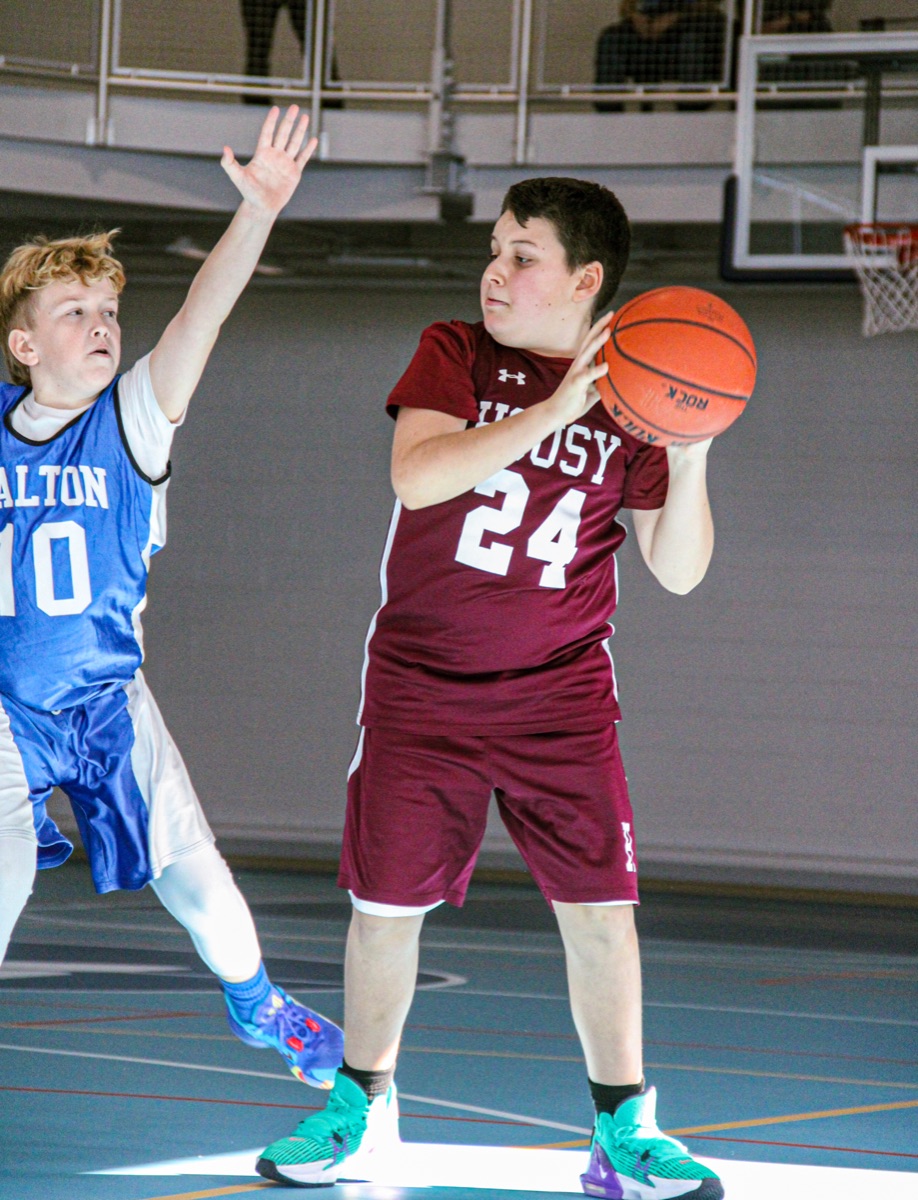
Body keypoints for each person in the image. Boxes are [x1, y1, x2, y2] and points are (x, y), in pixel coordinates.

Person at [256, 176, 723, 1199]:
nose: (496, 270)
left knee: (604, 913)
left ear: (585, 278)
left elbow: (678, 569)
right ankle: (363, 1111)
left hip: (560, 696)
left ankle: (622, 1133)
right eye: (497, 249)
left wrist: (688, 463)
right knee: (385, 910)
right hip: (423, 685)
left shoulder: (640, 396)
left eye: (523, 254)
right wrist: (554, 408)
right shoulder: (456, 351)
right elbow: (417, 476)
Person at [0, 106, 343, 1090]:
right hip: (6, 707)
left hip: (110, 703)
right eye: (76, 312)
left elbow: (201, 316)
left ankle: (261, 1006)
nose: (103, 326)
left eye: (110, 312)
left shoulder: (133, 421)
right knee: (6, 876)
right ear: (25, 343)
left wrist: (259, 214)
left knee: (202, 890)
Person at [595, 0, 726, 109]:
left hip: (691, 25)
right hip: (646, 33)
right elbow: (626, 6)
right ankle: (608, 106)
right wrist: (635, 16)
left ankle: (691, 106)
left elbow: (709, 4)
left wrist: (676, 17)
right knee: (610, 38)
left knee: (692, 39)